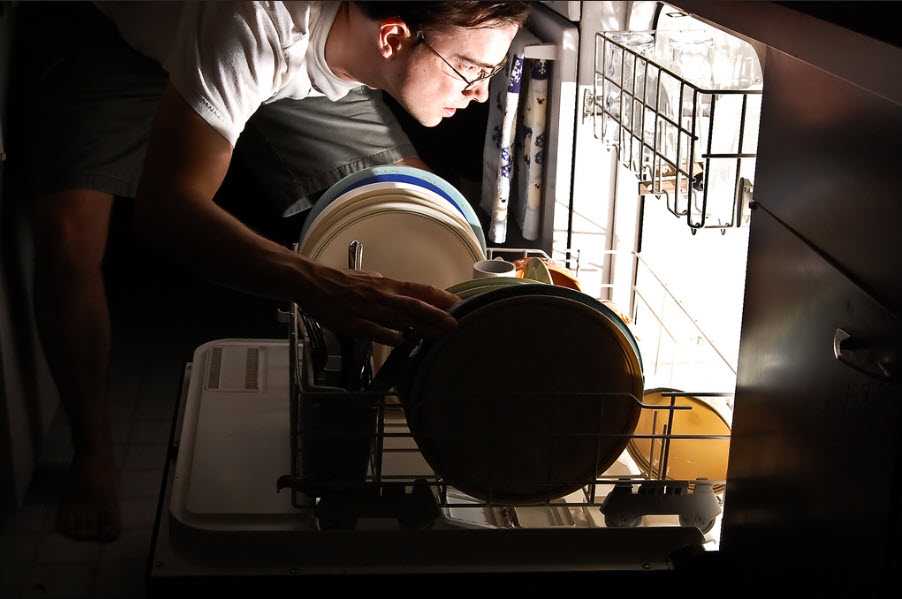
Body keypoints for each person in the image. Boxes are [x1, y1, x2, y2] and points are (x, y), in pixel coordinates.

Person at [23, 1, 529, 542]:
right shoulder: (253, 20)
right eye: (472, 69)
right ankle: (92, 452)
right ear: (393, 38)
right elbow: (165, 211)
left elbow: (412, 206)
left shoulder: (362, 42)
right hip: (117, 31)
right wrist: (316, 283)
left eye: (492, 72)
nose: (481, 92)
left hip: (287, 43)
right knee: (68, 237)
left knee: (411, 200)